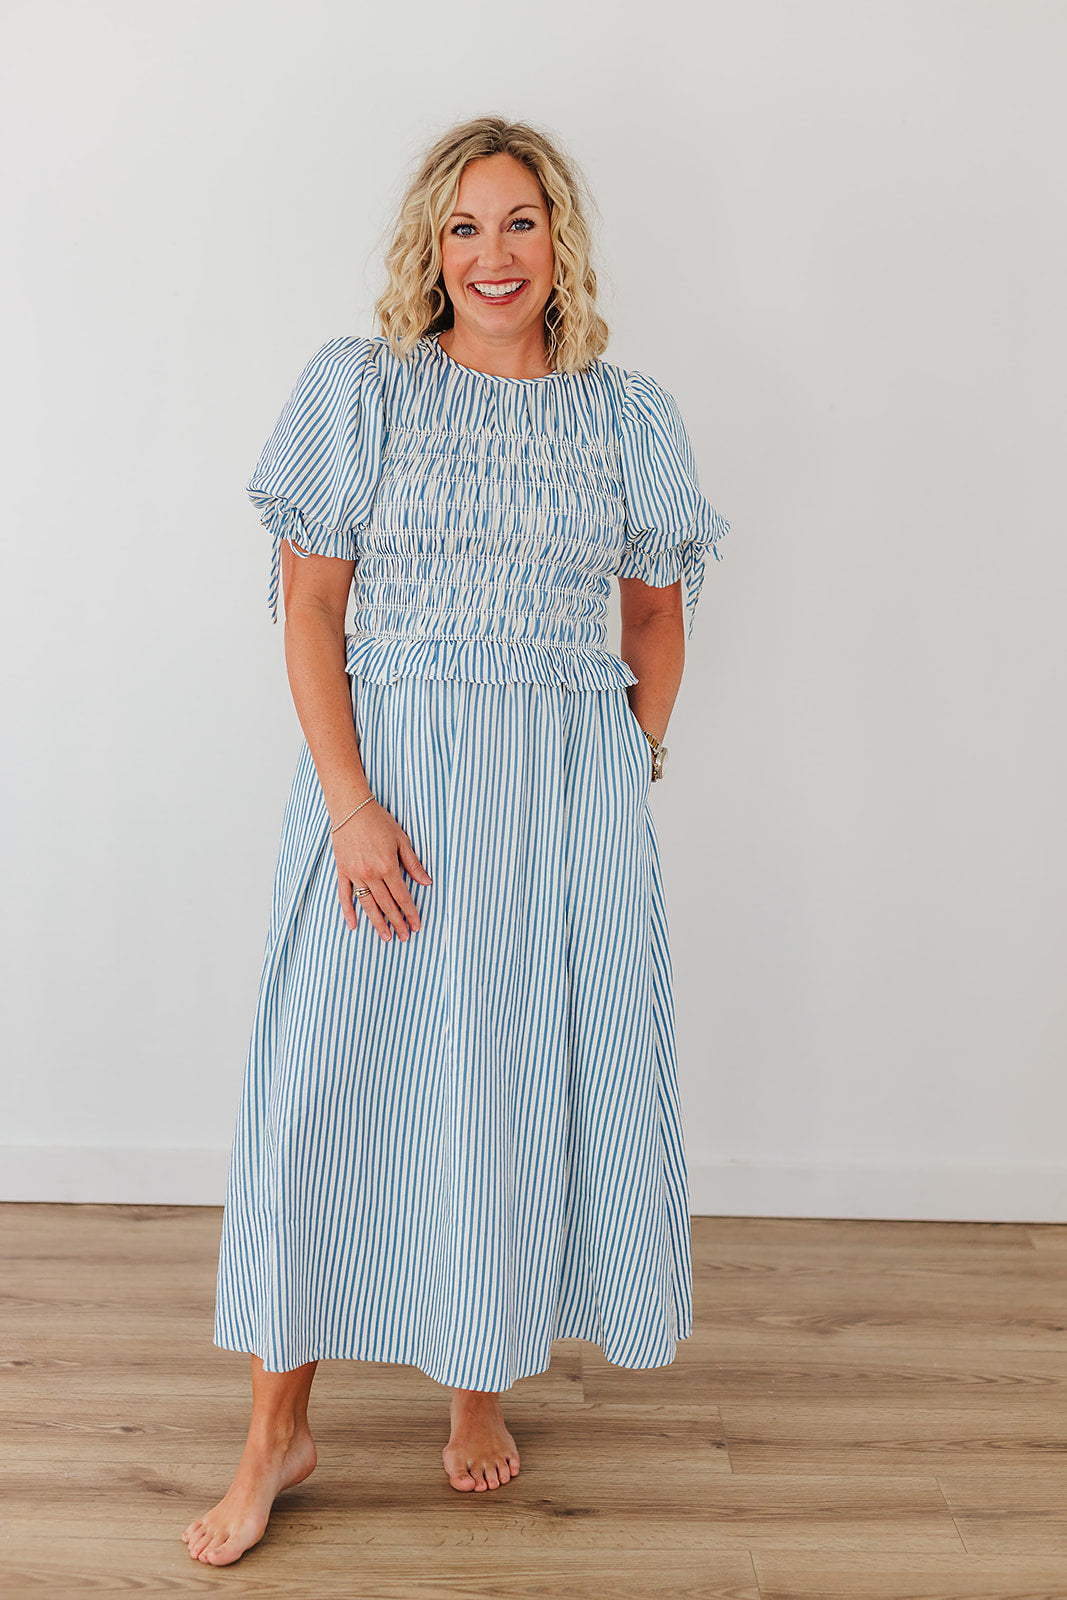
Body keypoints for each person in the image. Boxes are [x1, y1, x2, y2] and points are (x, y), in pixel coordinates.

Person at [183, 114, 730, 1567]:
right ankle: (275, 1433)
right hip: (390, 799)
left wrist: (628, 763)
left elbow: (655, 614)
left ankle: (476, 1387)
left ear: (562, 243)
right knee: (317, 1092)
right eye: (468, 226)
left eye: (522, 223)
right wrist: (352, 804)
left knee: (505, 1085)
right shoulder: (361, 388)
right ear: (433, 246)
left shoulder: (629, 416)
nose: (496, 254)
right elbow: (311, 608)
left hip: (561, 812)